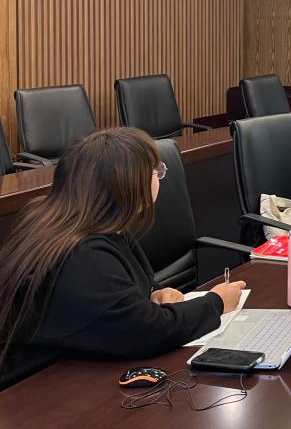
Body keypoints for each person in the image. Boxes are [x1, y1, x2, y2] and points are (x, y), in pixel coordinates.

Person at [0, 128, 246, 385]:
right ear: (128, 184)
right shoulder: (84, 255)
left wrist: (153, 294)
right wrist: (216, 302)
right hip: (37, 386)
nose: (159, 177)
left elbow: (120, 298)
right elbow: (148, 332)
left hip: (67, 367)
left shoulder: (83, 223)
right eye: (155, 171)